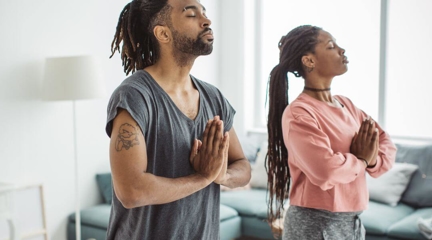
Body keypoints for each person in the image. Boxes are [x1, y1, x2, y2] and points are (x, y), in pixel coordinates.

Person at [105, 0, 251, 239]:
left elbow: (242, 165)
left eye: (204, 12)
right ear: (163, 33)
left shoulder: (214, 98)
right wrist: (202, 178)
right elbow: (131, 191)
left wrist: (220, 175)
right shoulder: (135, 95)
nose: (206, 21)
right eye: (191, 14)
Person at [265, 25, 397, 239]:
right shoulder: (299, 113)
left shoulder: (347, 105)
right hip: (316, 224)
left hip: (353, 222)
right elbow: (325, 170)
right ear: (309, 61)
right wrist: (361, 160)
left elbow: (386, 144)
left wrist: (372, 161)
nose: (342, 50)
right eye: (331, 46)